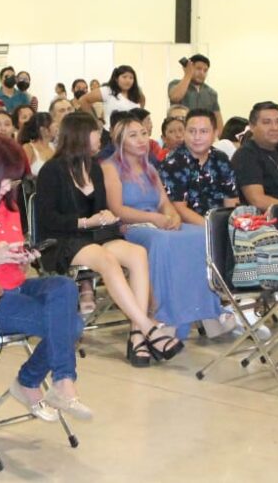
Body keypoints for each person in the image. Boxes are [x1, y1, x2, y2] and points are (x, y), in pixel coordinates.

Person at [0, 135, 93, 422]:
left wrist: (22, 256)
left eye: (13, 181)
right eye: (5, 181)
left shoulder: (7, 204)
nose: (9, 188)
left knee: (63, 285)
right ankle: (44, 382)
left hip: (15, 285)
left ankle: (50, 382)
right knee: (71, 324)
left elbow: (12, 258)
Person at [34, 111, 179, 365]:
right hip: (63, 239)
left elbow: (102, 209)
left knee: (137, 253)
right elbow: (48, 219)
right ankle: (148, 328)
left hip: (96, 234)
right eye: (95, 131)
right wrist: (85, 221)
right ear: (80, 135)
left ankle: (136, 334)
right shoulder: (52, 170)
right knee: (107, 260)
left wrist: (105, 216)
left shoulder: (95, 169)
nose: (100, 136)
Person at [103, 115, 224, 345]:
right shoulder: (110, 168)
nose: (141, 140)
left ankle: (203, 311)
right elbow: (117, 209)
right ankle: (163, 314)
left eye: (143, 134)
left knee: (199, 235)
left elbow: (164, 201)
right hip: (131, 226)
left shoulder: (148, 166)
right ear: (119, 141)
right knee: (163, 241)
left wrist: (173, 216)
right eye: (133, 135)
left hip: (156, 220)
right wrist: (155, 218)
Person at [160, 108, 238, 226]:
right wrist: (213, 229)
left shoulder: (221, 159)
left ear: (215, 134)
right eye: (192, 131)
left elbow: (231, 201)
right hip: (188, 227)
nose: (197, 137)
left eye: (203, 131)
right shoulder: (173, 163)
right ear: (185, 133)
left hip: (221, 225)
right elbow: (179, 209)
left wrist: (232, 226)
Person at [167, 54, 222, 133]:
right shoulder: (175, 84)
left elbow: (217, 119)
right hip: (179, 133)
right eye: (198, 69)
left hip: (202, 134)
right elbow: (175, 97)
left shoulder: (211, 93)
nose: (202, 73)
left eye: (205, 70)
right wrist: (188, 74)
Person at [78, 65, 144, 123]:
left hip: (132, 133)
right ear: (116, 79)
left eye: (131, 78)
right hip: (110, 133)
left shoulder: (136, 93)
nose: (128, 80)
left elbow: (142, 102)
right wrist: (94, 122)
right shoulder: (107, 90)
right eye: (124, 77)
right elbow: (83, 100)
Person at [19, 112, 56, 176]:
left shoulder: (54, 147)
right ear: (43, 130)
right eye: (53, 124)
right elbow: (22, 173)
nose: (56, 127)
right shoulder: (29, 148)